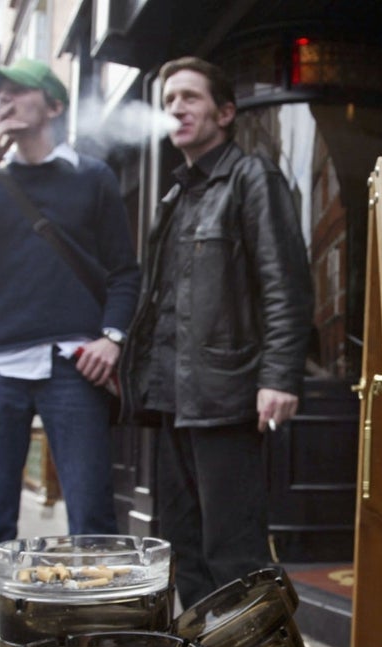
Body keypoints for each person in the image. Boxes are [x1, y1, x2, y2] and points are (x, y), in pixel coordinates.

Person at [0, 57, 141, 647]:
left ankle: (99, 644)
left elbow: (124, 273)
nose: (6, 102)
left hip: (73, 364)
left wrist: (113, 338)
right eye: (0, 95)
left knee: (91, 516)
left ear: (52, 105)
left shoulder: (92, 178)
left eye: (19, 92)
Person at [119, 57, 313, 607]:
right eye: (168, 101)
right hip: (174, 402)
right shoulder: (176, 197)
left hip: (226, 399)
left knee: (235, 556)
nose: (176, 108)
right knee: (185, 549)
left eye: (190, 97)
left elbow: (286, 285)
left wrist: (279, 377)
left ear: (225, 112)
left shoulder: (252, 178)